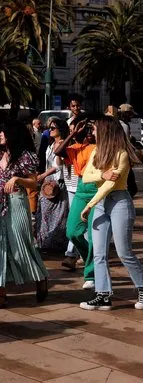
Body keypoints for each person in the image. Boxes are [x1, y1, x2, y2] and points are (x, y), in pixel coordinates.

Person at [79, 116, 143, 311]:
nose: (93, 133)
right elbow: (86, 177)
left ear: (106, 131)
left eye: (96, 129)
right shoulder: (97, 151)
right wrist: (102, 174)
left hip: (119, 202)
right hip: (101, 204)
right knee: (98, 253)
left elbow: (110, 184)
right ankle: (103, 295)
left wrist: (90, 204)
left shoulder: (122, 154)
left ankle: (142, 288)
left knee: (124, 252)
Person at [0, 121, 49, 309]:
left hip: (17, 202)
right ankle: (0, 294)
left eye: (4, 132)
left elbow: (34, 183)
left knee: (21, 244)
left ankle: (41, 276)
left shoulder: (26, 156)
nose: (0, 135)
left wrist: (17, 179)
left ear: (13, 134)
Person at [54, 114, 97, 290]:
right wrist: (73, 133)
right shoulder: (75, 148)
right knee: (72, 231)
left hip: (97, 189)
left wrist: (96, 129)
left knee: (94, 237)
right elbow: (58, 152)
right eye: (84, 130)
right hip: (81, 189)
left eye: (89, 130)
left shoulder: (98, 146)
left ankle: (92, 273)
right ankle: (93, 260)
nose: (87, 133)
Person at [35, 118, 70, 253]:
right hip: (48, 181)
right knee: (43, 212)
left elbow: (58, 166)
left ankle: (55, 243)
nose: (50, 130)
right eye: (49, 128)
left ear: (60, 130)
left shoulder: (61, 144)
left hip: (58, 182)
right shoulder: (50, 144)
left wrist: (43, 175)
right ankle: (45, 241)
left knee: (57, 214)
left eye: (53, 128)